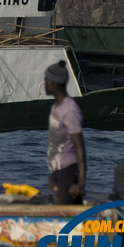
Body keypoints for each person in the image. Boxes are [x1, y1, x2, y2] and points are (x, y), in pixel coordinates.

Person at [44, 60, 86, 204]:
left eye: (46, 80)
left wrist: (80, 183)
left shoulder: (69, 110)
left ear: (54, 83)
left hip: (67, 173)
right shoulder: (57, 108)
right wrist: (53, 174)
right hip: (59, 172)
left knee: (67, 218)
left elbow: (79, 147)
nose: (44, 83)